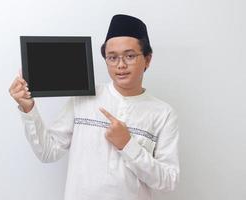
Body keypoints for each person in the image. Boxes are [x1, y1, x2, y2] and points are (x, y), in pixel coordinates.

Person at [9, 14, 180, 200]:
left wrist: (128, 144)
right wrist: (28, 109)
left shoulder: (163, 113)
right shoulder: (83, 98)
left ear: (147, 59)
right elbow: (48, 152)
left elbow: (168, 181)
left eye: (130, 56)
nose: (121, 65)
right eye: (112, 57)